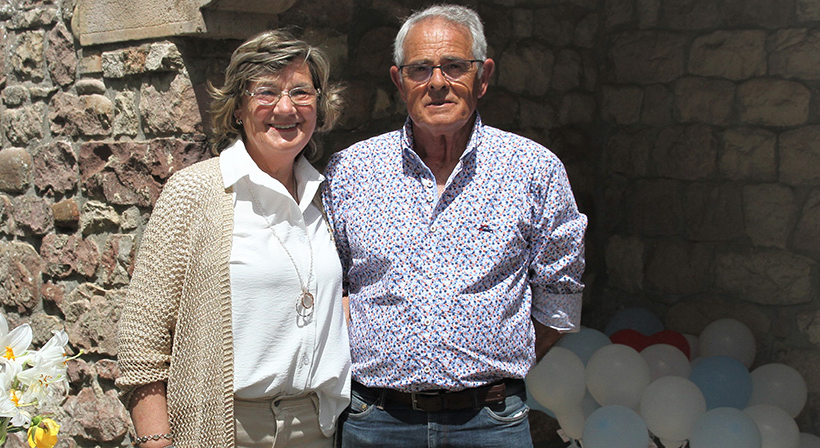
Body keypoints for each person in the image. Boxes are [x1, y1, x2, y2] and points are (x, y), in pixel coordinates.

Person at [322, 5, 587, 447]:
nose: (438, 82)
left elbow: (558, 301)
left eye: (454, 67)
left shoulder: (533, 169)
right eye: (420, 68)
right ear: (398, 81)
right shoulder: (351, 170)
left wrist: (486, 376)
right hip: (376, 421)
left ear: (483, 77)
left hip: (491, 423)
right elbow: (333, 284)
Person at [116, 30, 350, 448]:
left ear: (319, 104)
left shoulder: (327, 196)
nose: (285, 108)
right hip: (227, 431)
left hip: (321, 429)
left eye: (301, 92)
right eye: (266, 92)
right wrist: (155, 440)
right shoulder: (196, 192)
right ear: (238, 107)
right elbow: (143, 340)